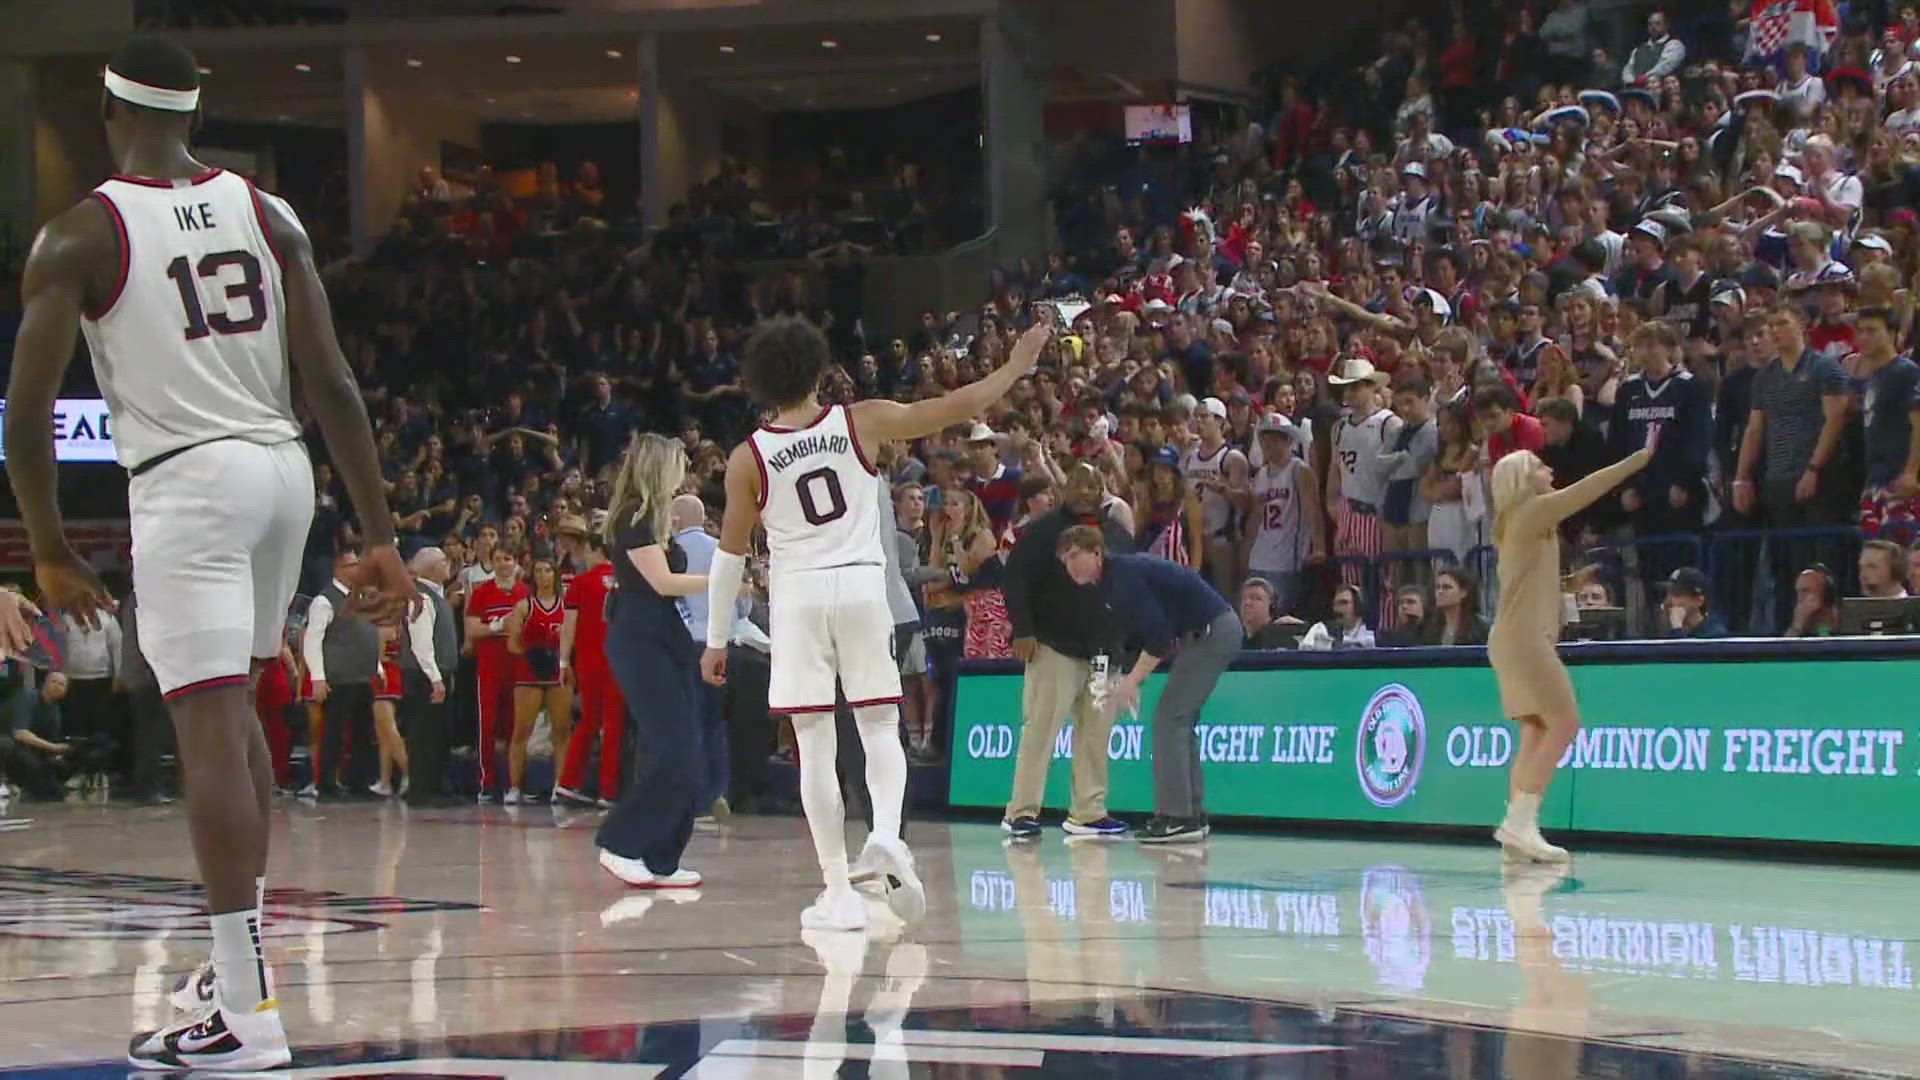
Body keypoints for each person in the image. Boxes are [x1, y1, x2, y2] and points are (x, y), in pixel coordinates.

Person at [3, 37, 412, 1070]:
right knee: (239, 731)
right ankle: (237, 976)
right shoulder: (269, 215)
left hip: (187, 478)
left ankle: (245, 1017)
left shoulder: (77, 234)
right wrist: (380, 536)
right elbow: (333, 384)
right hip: (283, 473)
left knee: (207, 739)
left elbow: (29, 411)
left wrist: (48, 545)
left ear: (108, 109)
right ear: (193, 113)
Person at [700, 316, 1051, 932]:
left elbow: (729, 556)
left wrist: (717, 640)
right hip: (863, 584)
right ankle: (886, 837)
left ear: (758, 383)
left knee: (814, 743)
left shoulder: (746, 458)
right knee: (879, 723)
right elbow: (960, 404)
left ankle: (837, 888)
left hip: (798, 594)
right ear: (817, 370)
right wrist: (1018, 365)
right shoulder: (861, 419)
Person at [1487, 433, 1654, 864]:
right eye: (1542, 468)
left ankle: (1514, 827)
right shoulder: (1532, 510)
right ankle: (1523, 823)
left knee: (1536, 730)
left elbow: (1525, 582)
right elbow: (1586, 490)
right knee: (1565, 722)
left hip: (1510, 636)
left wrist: (1567, 586)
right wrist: (1638, 457)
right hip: (1524, 637)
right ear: (1524, 479)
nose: (1551, 472)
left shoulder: (1518, 523)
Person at [1056, 524, 1242, 844]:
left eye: (1075, 555)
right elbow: (1131, 636)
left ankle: (1178, 817)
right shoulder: (1108, 583)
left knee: (1170, 719)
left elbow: (1158, 638)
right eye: (1064, 560)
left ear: (1097, 553)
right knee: (1179, 721)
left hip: (1212, 632)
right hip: (1204, 633)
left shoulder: (1122, 578)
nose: (1070, 566)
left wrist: (1131, 683)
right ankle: (1190, 813)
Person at [594, 434, 709, 889]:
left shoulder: (655, 519)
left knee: (679, 749)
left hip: (665, 637)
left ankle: (662, 858)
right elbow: (662, 582)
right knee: (675, 748)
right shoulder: (634, 518)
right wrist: (721, 581)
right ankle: (621, 842)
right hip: (641, 638)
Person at [1000, 463, 1135, 840]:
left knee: (1096, 735)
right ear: (1064, 487)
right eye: (1079, 481)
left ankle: (1088, 813)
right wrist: (1023, 630)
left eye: (1095, 482)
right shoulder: (1043, 531)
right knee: (1040, 729)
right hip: (1054, 646)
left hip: (1104, 652)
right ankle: (1022, 812)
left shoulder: (1117, 535)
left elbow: (1130, 585)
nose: (1087, 489)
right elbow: (1014, 579)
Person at [671, 493, 731, 820]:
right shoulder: (720, 549)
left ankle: (693, 797)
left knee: (688, 721)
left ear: (677, 518)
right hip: (717, 643)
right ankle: (718, 790)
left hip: (685, 644)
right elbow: (740, 603)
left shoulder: (670, 552)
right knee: (714, 723)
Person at [302, 549, 380, 800]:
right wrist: (318, 677)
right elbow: (313, 639)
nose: (358, 569)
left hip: (362, 676)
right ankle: (327, 785)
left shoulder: (360, 599)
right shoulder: (325, 601)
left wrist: (376, 667)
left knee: (363, 733)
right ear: (339, 570)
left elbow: (367, 635)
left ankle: (358, 782)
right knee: (333, 733)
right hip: (339, 677)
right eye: (352, 565)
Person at [557, 535, 622, 807]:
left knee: (588, 721)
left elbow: (568, 625)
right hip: (618, 660)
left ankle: (568, 782)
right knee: (614, 724)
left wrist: (563, 661)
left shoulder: (580, 583)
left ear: (597, 551)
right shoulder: (624, 584)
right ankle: (609, 791)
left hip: (587, 662)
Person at [505, 556, 570, 804]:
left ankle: (560, 785)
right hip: (530, 672)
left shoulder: (566, 606)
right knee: (522, 729)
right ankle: (514, 786)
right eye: (538, 571)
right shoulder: (523, 606)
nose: (543, 575)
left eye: (547, 570)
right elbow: (512, 644)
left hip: (558, 671)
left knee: (561, 730)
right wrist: (534, 656)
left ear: (555, 574)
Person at [1245, 414, 1325, 618]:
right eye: (1265, 437)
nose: (1268, 443)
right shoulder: (1261, 475)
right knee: (1254, 619)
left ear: (1288, 440)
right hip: (1258, 558)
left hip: (1287, 561)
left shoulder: (1299, 470)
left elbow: (1312, 511)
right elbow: (1255, 517)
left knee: (1278, 618)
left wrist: (1319, 547)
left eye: (1275, 437)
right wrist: (1245, 553)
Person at [464, 545, 527, 801]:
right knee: (487, 725)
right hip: (489, 669)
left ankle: (516, 784)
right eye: (498, 559)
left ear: (515, 562)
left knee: (517, 726)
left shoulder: (525, 593)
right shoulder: (482, 594)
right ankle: (487, 783)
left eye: (508, 558)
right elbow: (472, 630)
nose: (503, 563)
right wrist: (499, 625)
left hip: (519, 668)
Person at [400, 547, 456, 807]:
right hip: (424, 676)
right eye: (445, 560)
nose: (449, 564)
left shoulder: (437, 596)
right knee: (423, 734)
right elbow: (420, 643)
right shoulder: (420, 597)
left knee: (436, 733)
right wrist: (434, 677)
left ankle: (434, 788)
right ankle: (420, 792)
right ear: (433, 567)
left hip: (436, 674)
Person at [1299, 584, 1377, 650]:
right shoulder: (1321, 630)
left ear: (1358, 606)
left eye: (1344, 602)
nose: (1336, 609)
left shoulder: (1374, 633)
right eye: (1335, 604)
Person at [1659, 567, 1729, 638]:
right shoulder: (1669, 629)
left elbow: (1684, 649)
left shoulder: (1714, 634)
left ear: (1699, 600)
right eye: (1668, 593)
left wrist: (1678, 629)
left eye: (1677, 595)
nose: (1668, 600)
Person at [1426, 567, 1490, 645]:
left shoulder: (1481, 629)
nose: (1440, 592)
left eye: (1446, 587)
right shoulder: (1431, 628)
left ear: (1463, 592)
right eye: (1438, 587)